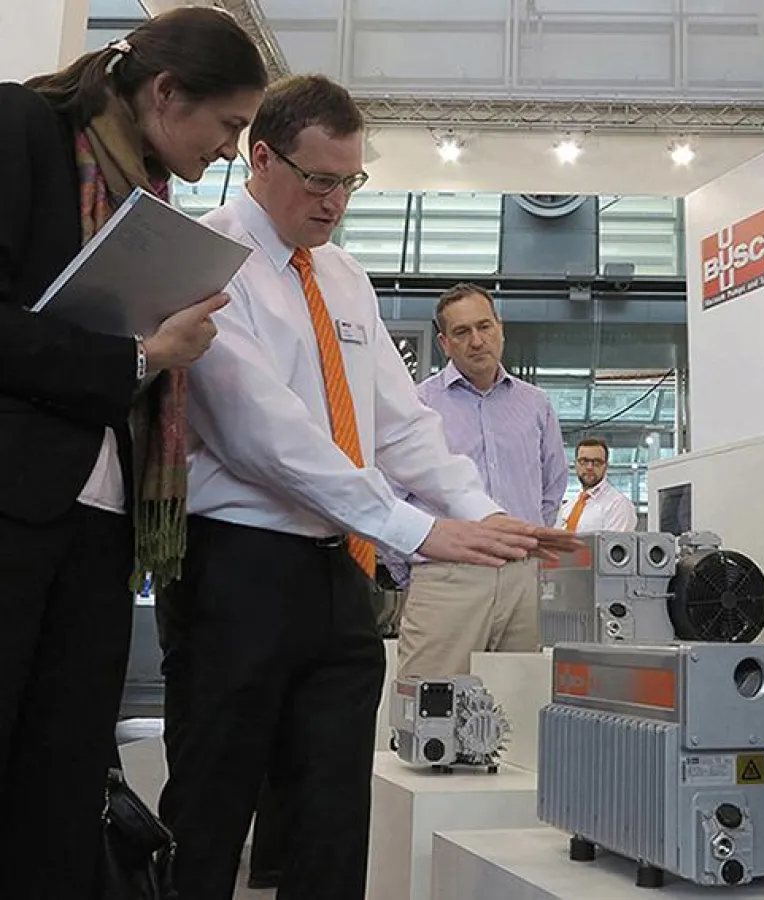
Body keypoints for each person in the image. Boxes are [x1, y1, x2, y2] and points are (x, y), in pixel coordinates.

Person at [155, 74, 579, 900]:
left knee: (333, 813)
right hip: (233, 570)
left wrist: (487, 516)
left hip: (336, 572)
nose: (334, 202)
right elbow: (261, 435)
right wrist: (412, 530)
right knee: (210, 804)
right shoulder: (205, 256)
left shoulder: (344, 277)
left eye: (350, 182)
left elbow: (400, 423)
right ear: (262, 157)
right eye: (319, 180)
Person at [0, 10, 267, 899]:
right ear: (165, 93)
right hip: (15, 505)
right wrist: (142, 357)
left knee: (64, 775)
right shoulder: (24, 133)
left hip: (103, 523)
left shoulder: (145, 204)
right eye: (227, 126)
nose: (230, 151)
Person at [385, 283, 568, 678]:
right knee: (428, 707)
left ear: (500, 328)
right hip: (445, 577)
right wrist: (415, 574)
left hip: (522, 581)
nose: (477, 340)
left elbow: (552, 488)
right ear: (444, 343)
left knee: (517, 710)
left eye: (484, 326)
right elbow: (388, 497)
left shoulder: (535, 404)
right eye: (462, 332)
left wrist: (526, 551)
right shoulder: (416, 404)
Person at [557, 436, 638, 532]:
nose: (589, 467)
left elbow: (613, 546)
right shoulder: (568, 506)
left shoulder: (619, 505)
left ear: (606, 466)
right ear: (576, 464)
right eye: (584, 461)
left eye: (597, 462)